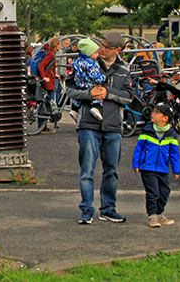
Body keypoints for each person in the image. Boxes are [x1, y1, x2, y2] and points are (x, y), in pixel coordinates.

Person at [66, 32, 133, 224]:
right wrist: (89, 93)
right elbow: (68, 89)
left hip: (113, 125)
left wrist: (108, 93)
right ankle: (86, 209)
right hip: (88, 124)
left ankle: (108, 208)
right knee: (87, 170)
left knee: (111, 170)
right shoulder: (86, 62)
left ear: (117, 50)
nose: (101, 50)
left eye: (107, 47)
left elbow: (129, 96)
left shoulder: (123, 70)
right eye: (101, 45)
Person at [132, 103, 180, 227]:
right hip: (147, 167)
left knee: (164, 191)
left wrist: (176, 170)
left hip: (162, 168)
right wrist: (136, 163)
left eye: (156, 112)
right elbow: (139, 148)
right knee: (153, 192)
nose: (152, 114)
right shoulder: (147, 130)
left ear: (165, 118)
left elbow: (174, 154)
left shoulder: (171, 134)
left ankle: (159, 213)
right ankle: (152, 216)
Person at [37, 37, 60, 105]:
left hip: (50, 79)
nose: (60, 46)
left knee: (47, 100)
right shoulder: (51, 54)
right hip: (49, 81)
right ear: (56, 45)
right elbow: (41, 65)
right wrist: (44, 77)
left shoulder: (50, 53)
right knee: (50, 101)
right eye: (59, 45)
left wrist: (55, 74)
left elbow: (50, 67)